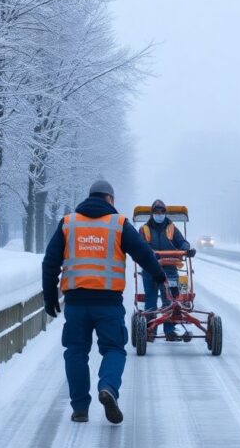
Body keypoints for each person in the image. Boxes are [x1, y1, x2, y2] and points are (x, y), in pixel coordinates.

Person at [42, 180, 167, 424]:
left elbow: (50, 262)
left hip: (76, 303)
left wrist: (50, 297)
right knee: (113, 349)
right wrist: (159, 276)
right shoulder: (118, 224)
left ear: (90, 197)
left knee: (75, 351)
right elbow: (143, 253)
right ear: (110, 199)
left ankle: (80, 409)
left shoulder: (68, 223)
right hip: (108, 303)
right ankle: (108, 387)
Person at [139, 199, 196, 341]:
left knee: (170, 300)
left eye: (162, 212)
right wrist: (151, 253)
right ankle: (150, 331)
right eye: (156, 212)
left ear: (165, 213)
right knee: (151, 301)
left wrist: (187, 249)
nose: (159, 214)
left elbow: (182, 242)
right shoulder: (144, 229)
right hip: (151, 270)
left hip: (170, 268)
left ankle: (169, 331)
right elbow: (140, 246)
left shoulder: (172, 228)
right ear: (152, 213)